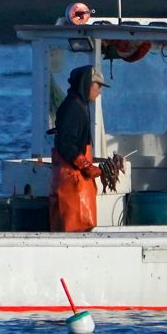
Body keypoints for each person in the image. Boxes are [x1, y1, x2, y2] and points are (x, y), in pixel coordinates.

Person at [50, 65, 109, 232]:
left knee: (80, 228)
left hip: (74, 180)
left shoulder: (78, 104)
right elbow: (65, 143)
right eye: (98, 86)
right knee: (74, 229)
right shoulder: (74, 107)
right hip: (72, 182)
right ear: (86, 84)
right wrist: (85, 165)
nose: (100, 91)